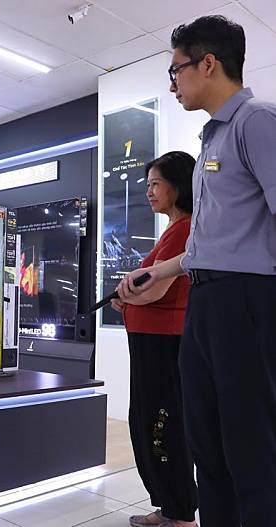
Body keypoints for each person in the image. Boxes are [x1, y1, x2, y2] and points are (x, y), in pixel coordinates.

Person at [118, 15, 276, 527]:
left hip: (246, 303)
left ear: (208, 63)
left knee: (250, 446)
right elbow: (210, 243)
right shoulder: (210, 140)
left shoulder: (258, 122)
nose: (174, 82)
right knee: (206, 442)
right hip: (206, 305)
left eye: (176, 70)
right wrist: (163, 269)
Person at [111, 152, 197, 527]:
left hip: (163, 342)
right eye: (146, 185)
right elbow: (145, 289)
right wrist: (128, 297)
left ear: (178, 185)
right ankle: (168, 507)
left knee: (162, 424)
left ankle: (179, 514)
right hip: (150, 340)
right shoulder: (173, 228)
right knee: (146, 421)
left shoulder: (185, 228)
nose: (148, 191)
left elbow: (155, 291)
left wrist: (128, 295)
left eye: (155, 184)